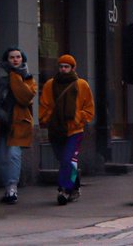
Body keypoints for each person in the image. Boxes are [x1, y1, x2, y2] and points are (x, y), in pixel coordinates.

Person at [38, 54, 94, 205]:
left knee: (68, 159)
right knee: (65, 160)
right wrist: (49, 118)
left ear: (73, 68)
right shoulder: (50, 84)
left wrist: (78, 117)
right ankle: (75, 186)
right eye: (61, 66)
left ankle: (64, 190)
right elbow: (44, 105)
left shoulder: (82, 85)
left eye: (66, 67)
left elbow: (89, 109)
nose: (63, 69)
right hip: (56, 130)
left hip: (75, 130)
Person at [0, 48, 36, 204]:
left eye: (18, 57)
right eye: (12, 57)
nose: (15, 60)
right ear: (7, 59)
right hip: (0, 121)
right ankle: (7, 188)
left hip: (18, 123)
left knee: (13, 155)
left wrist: (14, 77)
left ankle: (13, 188)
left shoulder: (26, 76)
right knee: (3, 157)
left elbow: (25, 97)